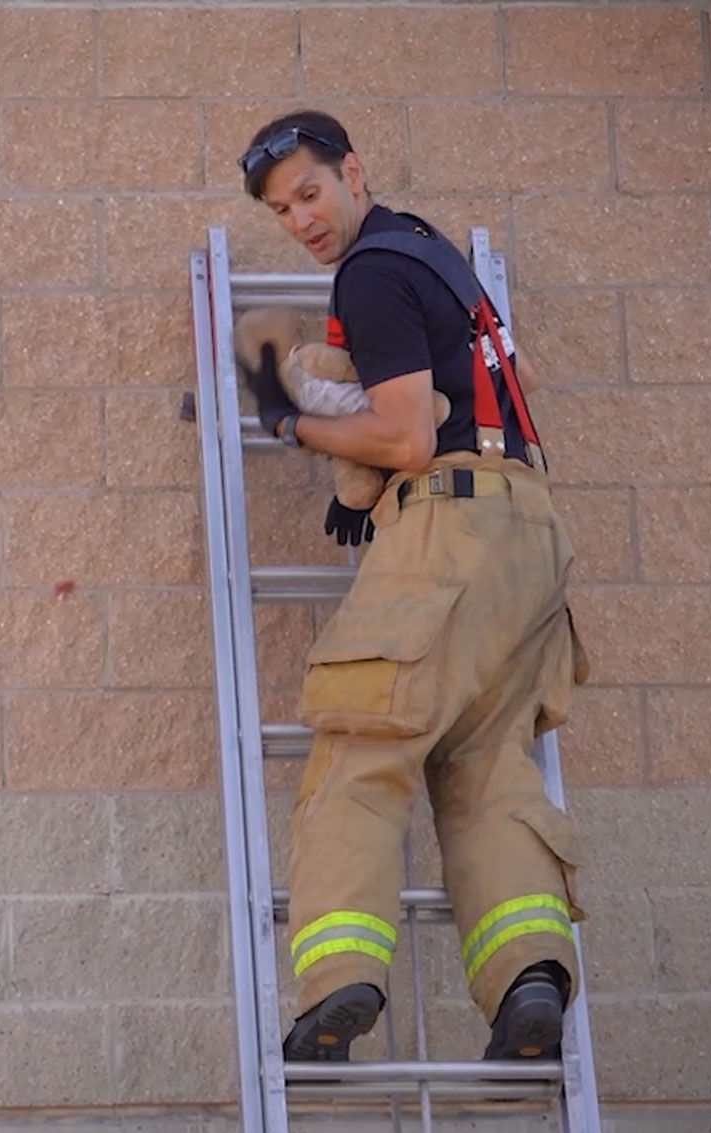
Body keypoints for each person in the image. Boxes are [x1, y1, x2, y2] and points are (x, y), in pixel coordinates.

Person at [233, 110, 593, 1068]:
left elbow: (402, 437)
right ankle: (527, 981)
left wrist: (287, 421)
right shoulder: (428, 254)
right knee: (485, 769)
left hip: (451, 524)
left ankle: (339, 982)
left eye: (310, 193)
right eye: (281, 211)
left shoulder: (373, 270)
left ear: (353, 173)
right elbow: (434, 408)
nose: (300, 221)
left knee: (360, 756)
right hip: (530, 532)